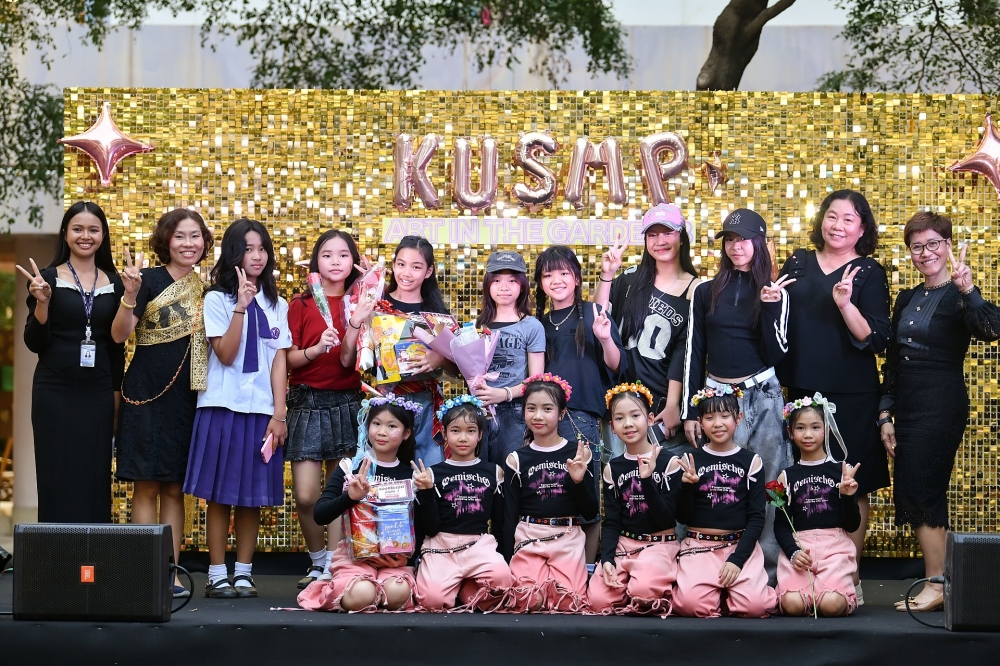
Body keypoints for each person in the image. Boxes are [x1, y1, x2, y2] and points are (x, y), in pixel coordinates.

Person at [879, 211, 1000, 613]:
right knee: (912, 489)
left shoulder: (960, 294)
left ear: (948, 246)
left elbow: (991, 329)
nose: (925, 252)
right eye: (917, 246)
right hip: (908, 406)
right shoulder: (907, 298)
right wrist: (885, 415)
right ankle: (944, 582)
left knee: (924, 488)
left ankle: (937, 584)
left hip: (941, 404)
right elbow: (893, 363)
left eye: (933, 243)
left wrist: (970, 290)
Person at [777, 190, 891, 605]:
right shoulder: (798, 262)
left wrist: (845, 305)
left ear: (862, 229)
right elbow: (777, 319)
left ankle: (849, 577)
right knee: (805, 482)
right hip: (803, 392)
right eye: (832, 215)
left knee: (850, 483)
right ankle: (803, 574)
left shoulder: (868, 272)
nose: (837, 225)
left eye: (848, 219)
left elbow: (876, 338)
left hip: (853, 393)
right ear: (821, 219)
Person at [681, 208, 793, 583]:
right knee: (716, 482)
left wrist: (771, 307)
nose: (736, 246)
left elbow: (777, 353)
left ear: (759, 243)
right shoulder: (704, 291)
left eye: (743, 239)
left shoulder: (775, 290)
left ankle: (770, 574)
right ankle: (709, 568)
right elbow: (694, 351)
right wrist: (690, 410)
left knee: (771, 482)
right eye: (729, 240)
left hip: (762, 395)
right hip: (717, 398)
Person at [183, 218, 291, 599]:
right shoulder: (217, 299)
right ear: (233, 253)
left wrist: (279, 414)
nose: (257, 256)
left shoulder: (278, 304)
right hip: (222, 406)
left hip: (261, 410)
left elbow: (279, 361)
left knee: (252, 495)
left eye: (262, 249)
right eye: (248, 249)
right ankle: (216, 573)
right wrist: (241, 307)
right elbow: (226, 354)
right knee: (219, 493)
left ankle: (243, 572)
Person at [112, 208, 213, 599]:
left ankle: (170, 575)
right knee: (146, 486)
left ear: (204, 242)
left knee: (174, 488)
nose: (188, 244)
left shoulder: (207, 288)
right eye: (180, 236)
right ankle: (145, 575)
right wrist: (129, 296)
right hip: (146, 392)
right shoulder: (147, 280)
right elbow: (119, 335)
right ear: (166, 241)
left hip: (188, 395)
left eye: (195, 236)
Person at [19, 201, 125, 523]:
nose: (85, 236)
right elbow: (35, 342)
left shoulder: (117, 283)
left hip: (98, 393)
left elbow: (117, 347)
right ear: (65, 233)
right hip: (54, 392)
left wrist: (116, 398)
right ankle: (54, 554)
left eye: (93, 230)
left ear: (103, 235)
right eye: (77, 229)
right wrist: (42, 303)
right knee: (55, 476)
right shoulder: (46, 280)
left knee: (94, 480)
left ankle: (92, 554)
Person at [285, 230, 373, 589]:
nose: (335, 261)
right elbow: (287, 360)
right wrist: (316, 349)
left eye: (343, 255)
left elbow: (356, 359)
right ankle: (317, 559)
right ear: (315, 262)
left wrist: (366, 306)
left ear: (354, 262)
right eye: (327, 255)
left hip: (347, 402)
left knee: (339, 492)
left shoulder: (362, 302)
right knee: (306, 495)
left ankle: (334, 566)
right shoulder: (300, 304)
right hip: (306, 402)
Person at [534, 245, 626, 562]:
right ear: (540, 282)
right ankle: (556, 565)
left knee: (585, 495)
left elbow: (617, 366)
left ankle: (585, 568)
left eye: (564, 272)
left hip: (582, 419)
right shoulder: (539, 324)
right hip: (543, 419)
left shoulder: (593, 313)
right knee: (550, 493)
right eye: (548, 275)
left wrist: (604, 338)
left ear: (576, 277)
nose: (556, 280)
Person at [297, 394, 423, 612]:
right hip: (354, 559)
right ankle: (355, 590)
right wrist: (350, 497)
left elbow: (425, 527)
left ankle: (376, 591)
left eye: (392, 426)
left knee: (398, 593)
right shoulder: (350, 467)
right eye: (376, 424)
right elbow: (320, 514)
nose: (382, 432)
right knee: (362, 594)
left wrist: (427, 492)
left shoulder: (412, 475)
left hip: (395, 562)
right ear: (367, 426)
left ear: (406, 433)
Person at [593, 204, 700, 453]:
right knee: (620, 471)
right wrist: (607, 275)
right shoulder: (632, 277)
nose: (660, 241)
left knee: (662, 471)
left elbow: (685, 353)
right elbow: (598, 317)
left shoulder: (695, 289)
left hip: (660, 401)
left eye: (667, 233)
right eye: (652, 235)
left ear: (682, 236)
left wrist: (673, 404)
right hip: (620, 397)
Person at [673, 386, 776, 618]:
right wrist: (687, 487)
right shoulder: (690, 460)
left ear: (738, 418)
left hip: (739, 546)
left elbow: (757, 517)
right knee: (690, 605)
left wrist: (737, 559)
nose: (717, 423)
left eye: (725, 416)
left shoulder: (751, 461)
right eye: (709, 418)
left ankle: (731, 593)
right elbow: (682, 517)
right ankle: (715, 593)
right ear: (700, 422)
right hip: (699, 546)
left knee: (756, 607)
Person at [502, 375, 598, 612]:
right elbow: (509, 515)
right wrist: (506, 561)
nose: (538, 416)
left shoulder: (579, 454)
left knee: (568, 603)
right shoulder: (516, 459)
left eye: (547, 409)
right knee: (529, 601)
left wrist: (578, 481)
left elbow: (590, 512)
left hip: (567, 538)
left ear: (562, 413)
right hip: (529, 538)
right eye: (531, 408)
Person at [586, 382, 682, 616]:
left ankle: (650, 582)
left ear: (650, 419)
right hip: (625, 545)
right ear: (612, 426)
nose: (628, 423)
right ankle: (627, 582)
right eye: (619, 418)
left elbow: (667, 518)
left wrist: (647, 480)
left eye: (635, 415)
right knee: (598, 601)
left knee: (644, 594)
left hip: (658, 544)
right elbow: (612, 521)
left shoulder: (669, 462)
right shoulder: (613, 468)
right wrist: (607, 559)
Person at [412, 395, 512, 611]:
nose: (463, 437)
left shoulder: (494, 472)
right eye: (455, 430)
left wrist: (504, 558)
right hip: (441, 546)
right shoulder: (432, 474)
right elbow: (429, 528)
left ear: (480, 434)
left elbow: (499, 522)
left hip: (478, 546)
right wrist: (426, 492)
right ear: (444, 433)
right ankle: (451, 584)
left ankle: (465, 588)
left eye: (471, 431)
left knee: (503, 582)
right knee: (432, 601)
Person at [774, 395, 861, 617]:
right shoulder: (786, 476)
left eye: (815, 427)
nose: (808, 434)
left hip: (835, 549)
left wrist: (848, 497)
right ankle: (806, 595)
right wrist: (793, 552)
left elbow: (852, 525)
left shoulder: (841, 471)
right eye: (800, 428)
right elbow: (781, 525)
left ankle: (837, 594)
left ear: (826, 429)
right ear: (790, 432)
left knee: (831, 605)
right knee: (792, 605)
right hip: (800, 549)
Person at [383, 235, 453, 466]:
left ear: (429, 271)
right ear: (393, 265)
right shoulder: (378, 305)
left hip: (427, 401)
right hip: (387, 399)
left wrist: (439, 358)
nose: (406, 273)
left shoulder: (437, 313)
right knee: (386, 472)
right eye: (401, 264)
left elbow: (458, 369)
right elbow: (359, 357)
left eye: (416, 267)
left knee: (429, 472)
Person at [471, 251, 545, 465]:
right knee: (481, 474)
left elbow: (536, 381)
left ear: (522, 285)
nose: (504, 287)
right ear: (487, 284)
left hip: (515, 412)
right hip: (480, 410)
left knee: (511, 474)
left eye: (512, 280)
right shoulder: (478, 325)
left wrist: (504, 394)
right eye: (496, 280)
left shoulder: (531, 326)